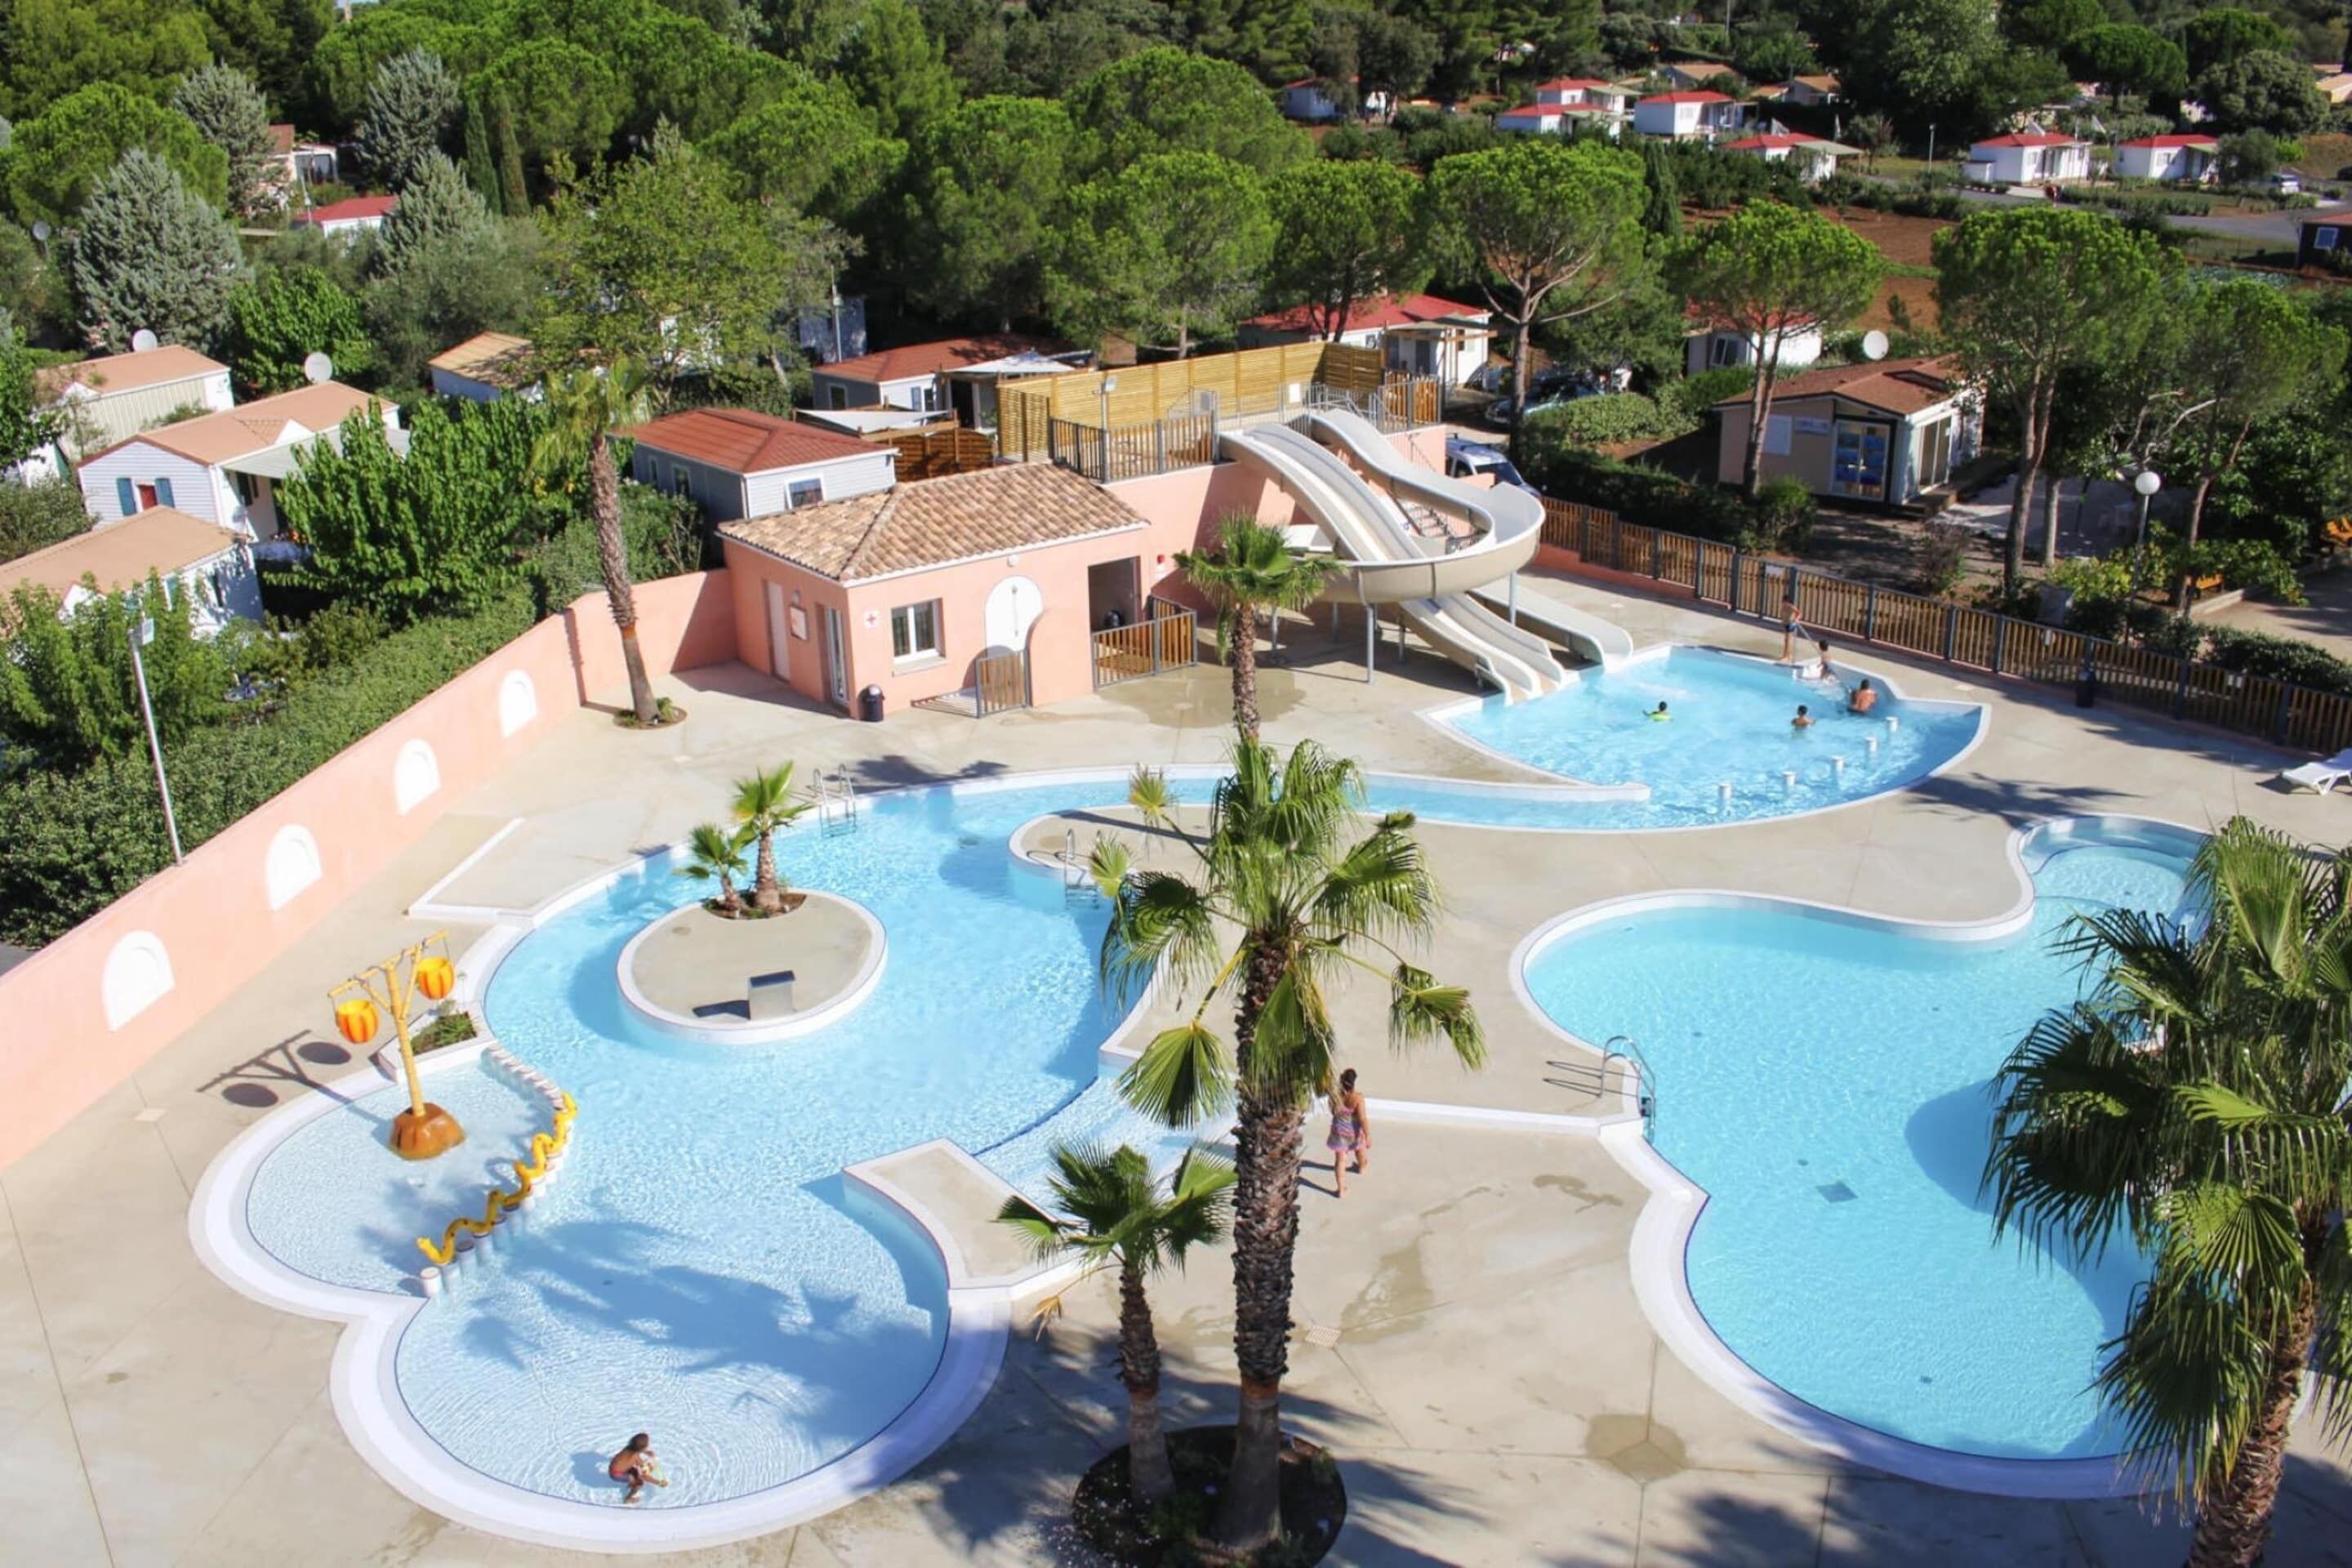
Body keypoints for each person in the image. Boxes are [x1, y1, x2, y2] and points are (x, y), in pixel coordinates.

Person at [1325, 1068, 1370, 1197]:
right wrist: (1368, 1135)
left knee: (1340, 1161)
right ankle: (1362, 1166)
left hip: (1339, 1132)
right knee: (1359, 1149)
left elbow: (1332, 1111)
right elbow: (1362, 1118)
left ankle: (1341, 1189)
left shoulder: (1335, 1097)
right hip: (1354, 1132)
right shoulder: (1357, 1098)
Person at [609, 1433, 668, 1505]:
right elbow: (644, 1477)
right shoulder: (635, 1457)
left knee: (640, 1470)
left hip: (615, 1467)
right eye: (647, 1444)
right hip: (617, 1474)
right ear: (642, 1448)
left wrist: (646, 1452)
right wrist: (659, 1483)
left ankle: (631, 1481)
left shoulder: (629, 1447)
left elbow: (637, 1451)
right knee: (639, 1483)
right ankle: (628, 1499)